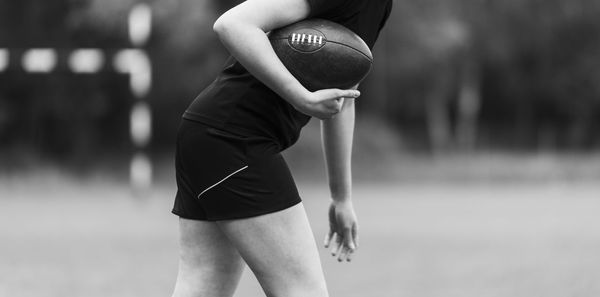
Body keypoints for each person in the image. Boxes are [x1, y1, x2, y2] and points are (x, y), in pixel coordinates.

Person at [170, 0, 392, 296]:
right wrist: (300, 96)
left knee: (204, 284)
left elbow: (344, 93)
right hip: (233, 138)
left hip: (210, 134)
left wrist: (341, 197)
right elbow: (233, 24)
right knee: (302, 291)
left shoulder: (379, 6)